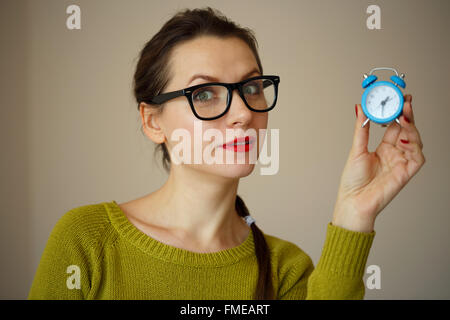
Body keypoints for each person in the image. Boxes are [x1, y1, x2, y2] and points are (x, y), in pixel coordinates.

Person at [28, 6, 425, 300]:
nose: (242, 113)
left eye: (252, 88)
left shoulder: (287, 269)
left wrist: (354, 213)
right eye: (204, 93)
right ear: (153, 122)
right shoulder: (86, 241)